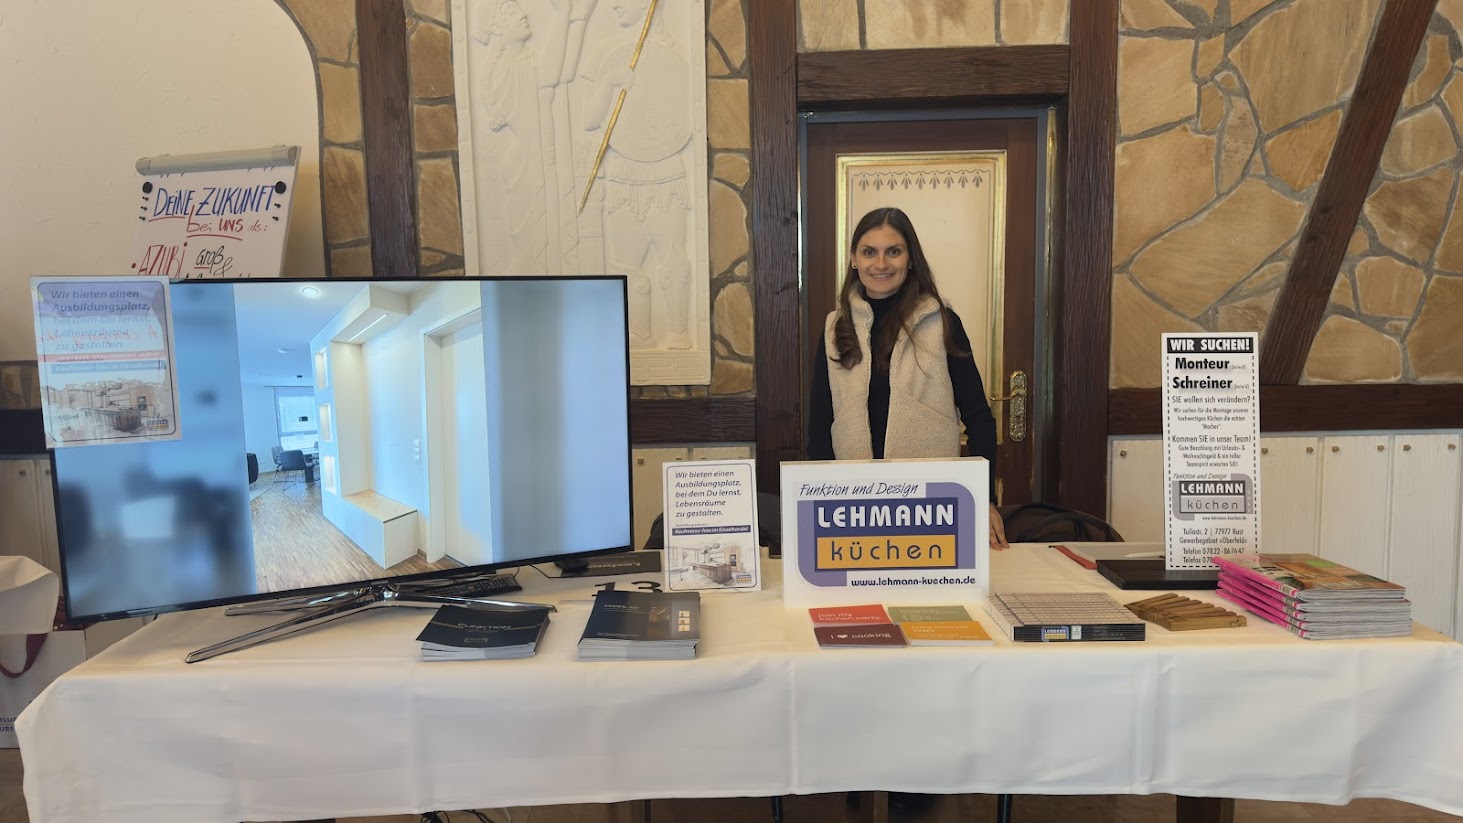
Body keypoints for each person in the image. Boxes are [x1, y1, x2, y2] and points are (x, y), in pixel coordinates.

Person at [807, 206, 1008, 550]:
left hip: (930, 504)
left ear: (910, 258)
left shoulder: (943, 322)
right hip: (853, 504)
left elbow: (979, 418)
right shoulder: (834, 327)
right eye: (869, 252)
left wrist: (984, 498)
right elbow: (820, 425)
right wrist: (818, 499)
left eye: (893, 251)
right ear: (854, 259)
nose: (880, 264)